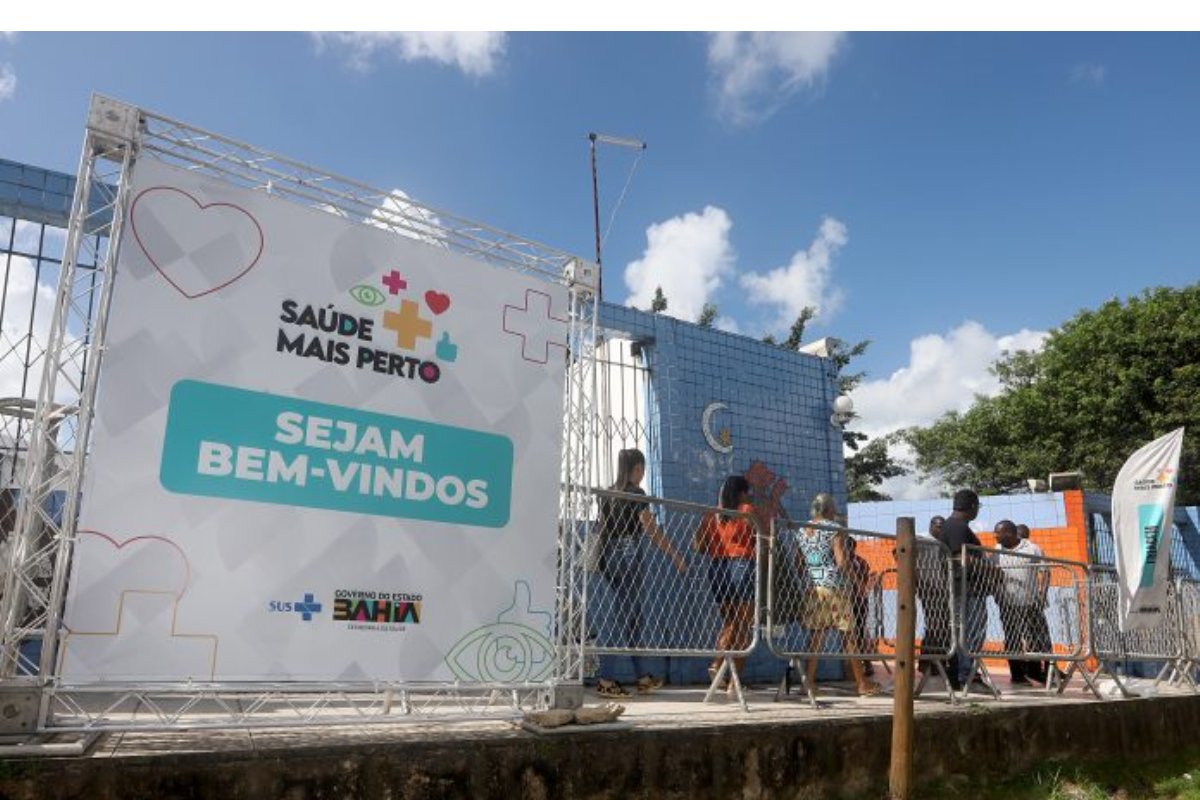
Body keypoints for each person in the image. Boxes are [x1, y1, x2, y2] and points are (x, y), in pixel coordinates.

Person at [594, 448, 687, 698]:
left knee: (633, 618)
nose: (643, 473)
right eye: (642, 469)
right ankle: (606, 679)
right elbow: (650, 528)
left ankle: (642, 678)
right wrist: (675, 556)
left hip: (609, 556)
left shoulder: (608, 494)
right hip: (628, 555)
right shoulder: (636, 494)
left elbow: (601, 527)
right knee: (623, 618)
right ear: (638, 468)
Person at [794, 493, 881, 697]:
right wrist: (858, 583)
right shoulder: (834, 528)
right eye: (833, 509)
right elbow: (841, 561)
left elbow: (798, 563)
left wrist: (813, 574)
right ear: (828, 509)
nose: (835, 512)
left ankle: (808, 683)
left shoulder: (802, 530)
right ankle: (862, 684)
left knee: (816, 636)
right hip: (835, 587)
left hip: (814, 587)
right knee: (849, 634)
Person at [701, 475, 757, 688]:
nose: (749, 497)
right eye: (748, 493)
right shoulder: (746, 511)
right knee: (743, 626)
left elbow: (699, 546)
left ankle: (718, 665)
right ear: (741, 493)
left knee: (730, 623)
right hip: (741, 566)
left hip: (717, 568)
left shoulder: (711, 515)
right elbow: (760, 539)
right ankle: (733, 681)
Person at [940, 489, 996, 691]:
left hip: (965, 590)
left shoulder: (954, 526)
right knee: (971, 634)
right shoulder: (957, 527)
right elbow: (961, 557)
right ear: (972, 506)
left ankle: (960, 676)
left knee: (964, 634)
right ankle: (968, 677)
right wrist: (992, 570)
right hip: (967, 591)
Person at [993, 519, 1050, 686]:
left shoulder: (1032, 549)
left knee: (1036, 638)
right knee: (1012, 639)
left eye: (998, 533)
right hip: (1007, 604)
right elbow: (991, 573)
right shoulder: (996, 551)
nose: (995, 536)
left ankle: (1035, 671)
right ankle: (1017, 674)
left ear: (1009, 533)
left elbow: (1045, 571)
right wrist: (996, 593)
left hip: (1030, 603)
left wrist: (1042, 595)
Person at [917, 515, 951, 672]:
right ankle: (927, 663)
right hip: (929, 588)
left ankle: (938, 662)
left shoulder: (944, 541)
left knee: (944, 626)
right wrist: (916, 580)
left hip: (945, 590)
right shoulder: (921, 539)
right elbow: (899, 554)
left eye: (943, 527)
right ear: (931, 526)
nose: (941, 529)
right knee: (934, 625)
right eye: (938, 526)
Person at [844, 536, 876, 677]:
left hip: (856, 601)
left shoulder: (856, 562)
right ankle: (863, 664)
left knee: (858, 633)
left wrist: (866, 587)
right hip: (854, 600)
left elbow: (866, 583)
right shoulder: (858, 562)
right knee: (859, 632)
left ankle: (866, 664)